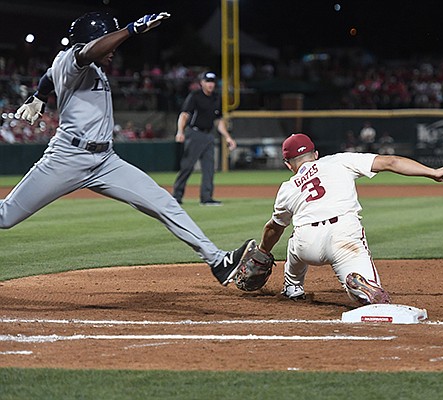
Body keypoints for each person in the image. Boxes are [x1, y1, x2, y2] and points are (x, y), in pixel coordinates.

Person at [3, 11, 255, 286]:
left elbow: (49, 77)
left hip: (105, 161)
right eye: (109, 41)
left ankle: (218, 261)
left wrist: (39, 95)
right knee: (6, 216)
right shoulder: (74, 59)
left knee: (163, 202)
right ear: (94, 40)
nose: (114, 50)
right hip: (67, 158)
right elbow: (85, 54)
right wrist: (129, 30)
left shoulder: (82, 65)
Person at [256, 133, 443, 304]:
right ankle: (360, 288)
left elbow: (274, 228)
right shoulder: (339, 160)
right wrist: (433, 172)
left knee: (294, 237)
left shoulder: (287, 188)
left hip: (307, 244)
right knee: (374, 294)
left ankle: (293, 288)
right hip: (344, 238)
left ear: (287, 164)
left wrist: (263, 251)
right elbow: (391, 162)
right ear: (316, 155)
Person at [172, 71, 237, 206]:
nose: (210, 84)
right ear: (201, 83)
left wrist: (228, 137)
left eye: (212, 81)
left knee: (209, 168)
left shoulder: (216, 98)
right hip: (194, 133)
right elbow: (184, 115)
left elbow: (218, 121)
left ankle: (206, 198)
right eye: (207, 81)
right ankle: (176, 196)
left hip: (209, 135)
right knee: (187, 166)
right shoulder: (195, 96)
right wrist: (180, 131)